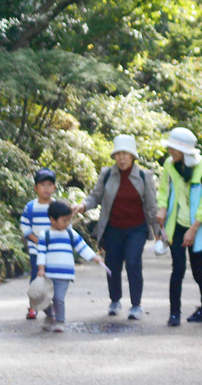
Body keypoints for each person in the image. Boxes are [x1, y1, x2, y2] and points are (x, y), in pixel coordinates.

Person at [72, 135, 159, 320]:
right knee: (113, 264)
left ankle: (136, 305)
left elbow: (152, 207)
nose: (121, 158)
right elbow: (95, 196)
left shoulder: (144, 176)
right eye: (118, 154)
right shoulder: (107, 174)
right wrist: (82, 205)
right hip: (113, 228)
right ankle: (115, 300)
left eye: (125, 154)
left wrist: (159, 232)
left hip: (137, 228)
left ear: (133, 156)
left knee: (133, 262)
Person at [156, 127, 202, 327]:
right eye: (170, 148)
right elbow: (164, 190)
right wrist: (162, 209)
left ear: (186, 151)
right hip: (177, 225)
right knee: (178, 269)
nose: (170, 152)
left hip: (198, 226)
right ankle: (174, 313)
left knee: (198, 270)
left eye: (174, 149)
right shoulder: (170, 165)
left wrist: (193, 229)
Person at [37, 200, 103, 332]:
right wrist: (41, 269)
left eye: (69, 220)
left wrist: (93, 257)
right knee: (43, 299)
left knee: (58, 298)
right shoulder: (46, 235)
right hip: (49, 273)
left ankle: (60, 321)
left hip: (64, 274)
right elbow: (41, 252)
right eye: (64, 220)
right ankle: (50, 316)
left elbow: (82, 246)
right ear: (52, 220)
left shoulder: (70, 233)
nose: (68, 223)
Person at [20, 168, 57, 320]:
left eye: (50, 184)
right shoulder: (30, 207)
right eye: (43, 184)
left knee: (53, 278)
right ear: (35, 188)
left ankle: (50, 305)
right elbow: (25, 227)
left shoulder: (57, 207)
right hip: (36, 250)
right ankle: (33, 306)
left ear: (54, 188)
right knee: (37, 277)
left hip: (54, 251)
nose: (46, 188)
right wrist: (38, 241)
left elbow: (64, 225)